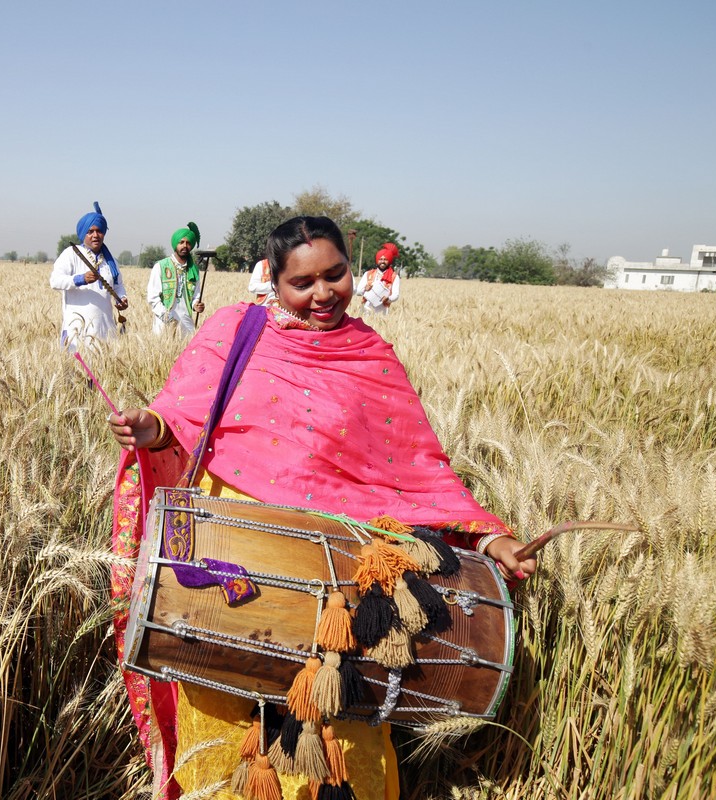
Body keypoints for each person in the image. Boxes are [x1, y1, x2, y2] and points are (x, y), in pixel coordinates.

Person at [107, 216, 536, 799]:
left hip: (339, 581)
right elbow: (178, 420)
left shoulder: (370, 355)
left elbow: (418, 472)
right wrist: (148, 428)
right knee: (224, 717)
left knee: (340, 722)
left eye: (335, 275)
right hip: (228, 566)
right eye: (303, 283)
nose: (323, 294)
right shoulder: (235, 331)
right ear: (273, 282)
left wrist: (488, 538)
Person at [49, 202, 127, 349]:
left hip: (105, 330)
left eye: (99, 231)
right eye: (90, 231)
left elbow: (118, 285)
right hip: (77, 331)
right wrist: (80, 279)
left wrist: (122, 298)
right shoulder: (71, 254)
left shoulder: (110, 261)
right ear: (83, 233)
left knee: (104, 371)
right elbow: (55, 281)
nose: (95, 235)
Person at [146, 222, 205, 335]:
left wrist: (196, 305)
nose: (184, 246)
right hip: (164, 325)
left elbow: (195, 295)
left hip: (186, 325)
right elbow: (153, 297)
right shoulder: (161, 266)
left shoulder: (194, 270)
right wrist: (168, 317)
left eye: (188, 243)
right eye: (181, 242)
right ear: (175, 244)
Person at [358, 242, 401, 315]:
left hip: (382, 312)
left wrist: (388, 299)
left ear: (389, 261)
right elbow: (358, 292)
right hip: (366, 310)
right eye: (380, 259)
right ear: (377, 260)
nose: (383, 261)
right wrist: (365, 289)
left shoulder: (394, 277)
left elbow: (396, 295)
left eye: (385, 259)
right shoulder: (368, 274)